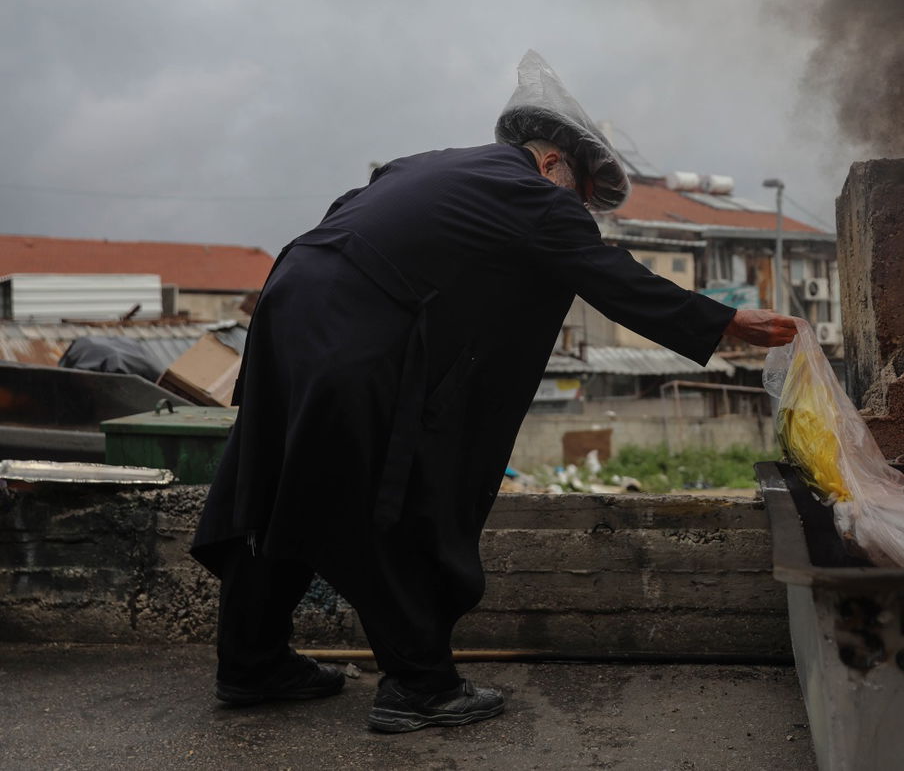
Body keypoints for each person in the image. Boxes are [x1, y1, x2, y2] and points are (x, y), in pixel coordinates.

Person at [191, 53, 798, 734]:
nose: (577, 214)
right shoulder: (532, 195)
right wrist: (724, 321)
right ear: (552, 163)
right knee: (384, 498)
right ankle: (418, 686)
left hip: (288, 308)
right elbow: (609, 275)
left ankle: (251, 663)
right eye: (581, 197)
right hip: (355, 333)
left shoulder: (431, 164)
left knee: (283, 482)